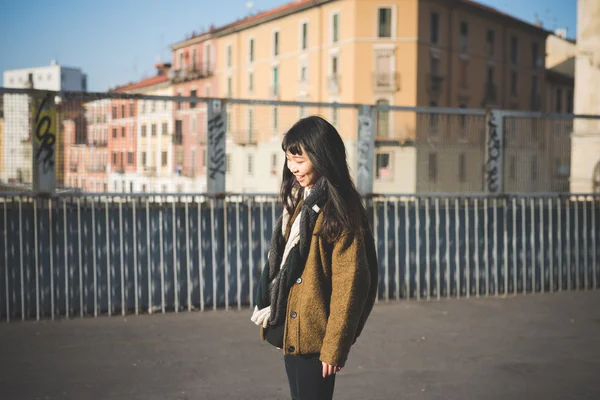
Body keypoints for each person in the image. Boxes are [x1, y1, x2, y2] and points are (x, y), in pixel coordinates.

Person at [251, 116, 379, 399]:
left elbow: (351, 285)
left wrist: (335, 346)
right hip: (294, 332)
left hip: (316, 340)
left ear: (322, 158)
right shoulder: (303, 200)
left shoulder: (340, 211)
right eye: (288, 158)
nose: (293, 167)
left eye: (300, 159)